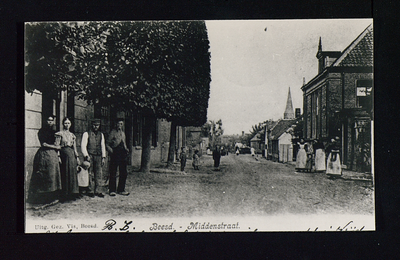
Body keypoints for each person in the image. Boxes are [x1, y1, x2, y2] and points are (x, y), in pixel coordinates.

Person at [27, 115, 62, 209]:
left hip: (53, 156)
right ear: (45, 121)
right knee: (44, 174)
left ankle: (51, 197)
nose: (50, 122)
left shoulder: (54, 132)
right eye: (48, 120)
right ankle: (41, 198)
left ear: (53, 122)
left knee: (52, 175)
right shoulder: (41, 131)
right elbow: (44, 144)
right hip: (44, 154)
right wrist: (55, 147)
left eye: (52, 121)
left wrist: (57, 147)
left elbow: (57, 143)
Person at [56, 117, 80, 201]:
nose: (67, 125)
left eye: (68, 123)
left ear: (71, 124)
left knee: (72, 174)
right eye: (65, 123)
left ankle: (72, 193)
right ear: (63, 124)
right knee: (65, 173)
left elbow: (74, 148)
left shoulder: (72, 135)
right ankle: (65, 194)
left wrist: (77, 158)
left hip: (72, 155)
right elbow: (57, 146)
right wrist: (58, 156)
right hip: (64, 155)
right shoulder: (59, 134)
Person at [81, 119, 106, 198]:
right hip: (90, 155)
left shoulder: (101, 134)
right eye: (94, 125)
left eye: (97, 125)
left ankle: (98, 190)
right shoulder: (86, 134)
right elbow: (83, 146)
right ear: (92, 125)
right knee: (90, 173)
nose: (96, 127)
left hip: (98, 155)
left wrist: (103, 157)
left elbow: (103, 146)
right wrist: (86, 155)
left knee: (99, 173)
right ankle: (90, 190)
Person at [107, 119, 130, 196]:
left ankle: (121, 189)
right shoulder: (112, 132)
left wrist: (126, 149)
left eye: (121, 124)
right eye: (119, 123)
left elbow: (124, 143)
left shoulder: (123, 133)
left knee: (124, 172)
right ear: (116, 124)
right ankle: (112, 190)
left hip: (122, 154)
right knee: (113, 171)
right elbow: (107, 144)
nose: (120, 125)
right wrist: (111, 151)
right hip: (115, 153)